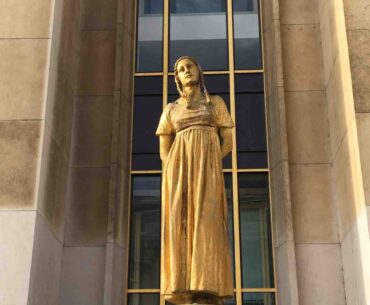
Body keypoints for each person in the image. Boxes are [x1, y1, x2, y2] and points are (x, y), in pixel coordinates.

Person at [156, 56, 234, 304]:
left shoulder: (216, 104)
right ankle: (182, 287)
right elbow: (164, 148)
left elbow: (228, 143)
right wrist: (173, 170)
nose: (186, 70)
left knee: (206, 223)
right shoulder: (171, 109)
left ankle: (206, 285)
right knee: (180, 223)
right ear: (177, 78)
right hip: (178, 173)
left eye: (189, 66)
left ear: (199, 71)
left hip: (207, 172)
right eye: (181, 69)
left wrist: (208, 162)